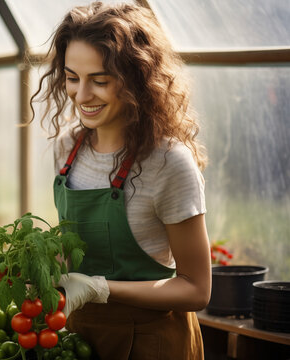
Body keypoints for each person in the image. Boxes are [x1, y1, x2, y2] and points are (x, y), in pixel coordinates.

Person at [30, 2, 211, 359]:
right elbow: (77, 252)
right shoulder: (67, 148)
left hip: (152, 341)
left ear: (136, 79)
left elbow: (196, 290)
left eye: (99, 81)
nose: (81, 96)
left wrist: (100, 288)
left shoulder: (168, 162)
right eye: (71, 78)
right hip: (81, 337)